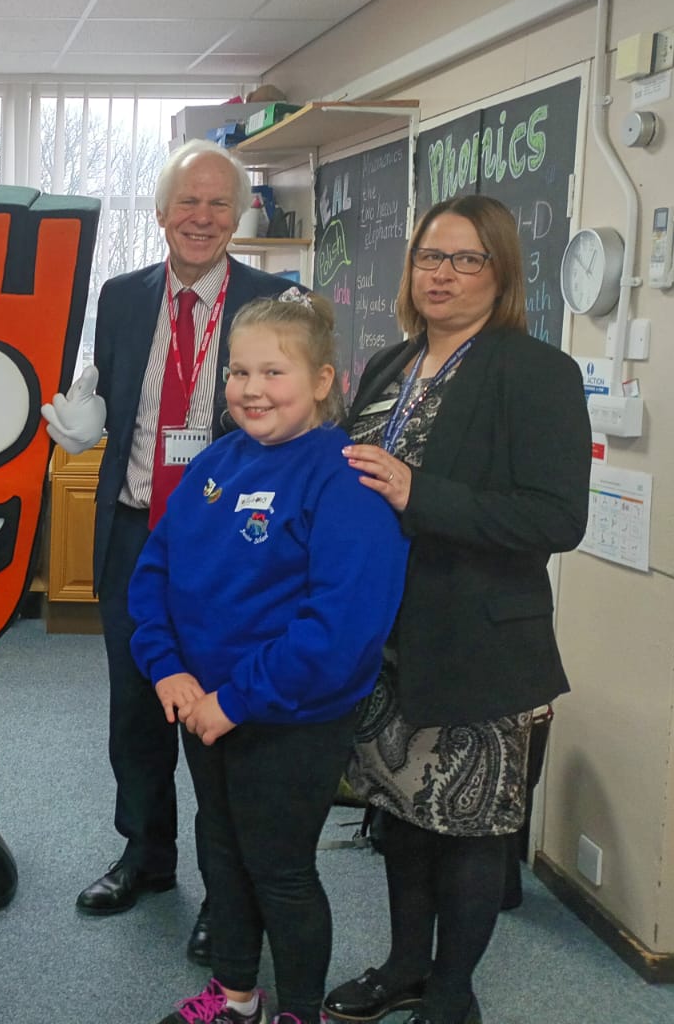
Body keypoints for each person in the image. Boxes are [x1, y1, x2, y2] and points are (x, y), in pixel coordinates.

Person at [325, 196, 590, 1024]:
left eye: (464, 259)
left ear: (501, 271)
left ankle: (451, 993)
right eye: (428, 257)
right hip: (389, 639)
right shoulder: (388, 367)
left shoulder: (536, 371)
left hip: (477, 643)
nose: (439, 274)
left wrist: (419, 493)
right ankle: (406, 966)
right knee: (400, 820)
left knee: (469, 826)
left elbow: (555, 519)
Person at [45, 139, 294, 959]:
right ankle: (146, 856)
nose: (202, 218)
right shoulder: (119, 297)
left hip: (230, 547)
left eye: (220, 204)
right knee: (136, 708)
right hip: (132, 532)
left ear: (240, 216)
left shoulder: (276, 300)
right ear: (159, 214)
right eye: (188, 202)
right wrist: (90, 421)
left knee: (221, 714)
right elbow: (112, 397)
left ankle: (227, 888)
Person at [131, 290, 408, 1024]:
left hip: (289, 719)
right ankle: (236, 999)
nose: (252, 390)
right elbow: (154, 569)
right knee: (222, 859)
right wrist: (168, 667)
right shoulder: (218, 462)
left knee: (278, 870)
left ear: (322, 380)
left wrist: (235, 698)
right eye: (238, 373)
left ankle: (301, 1012)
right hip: (204, 708)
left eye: (274, 373)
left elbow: (337, 629)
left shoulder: (346, 478)